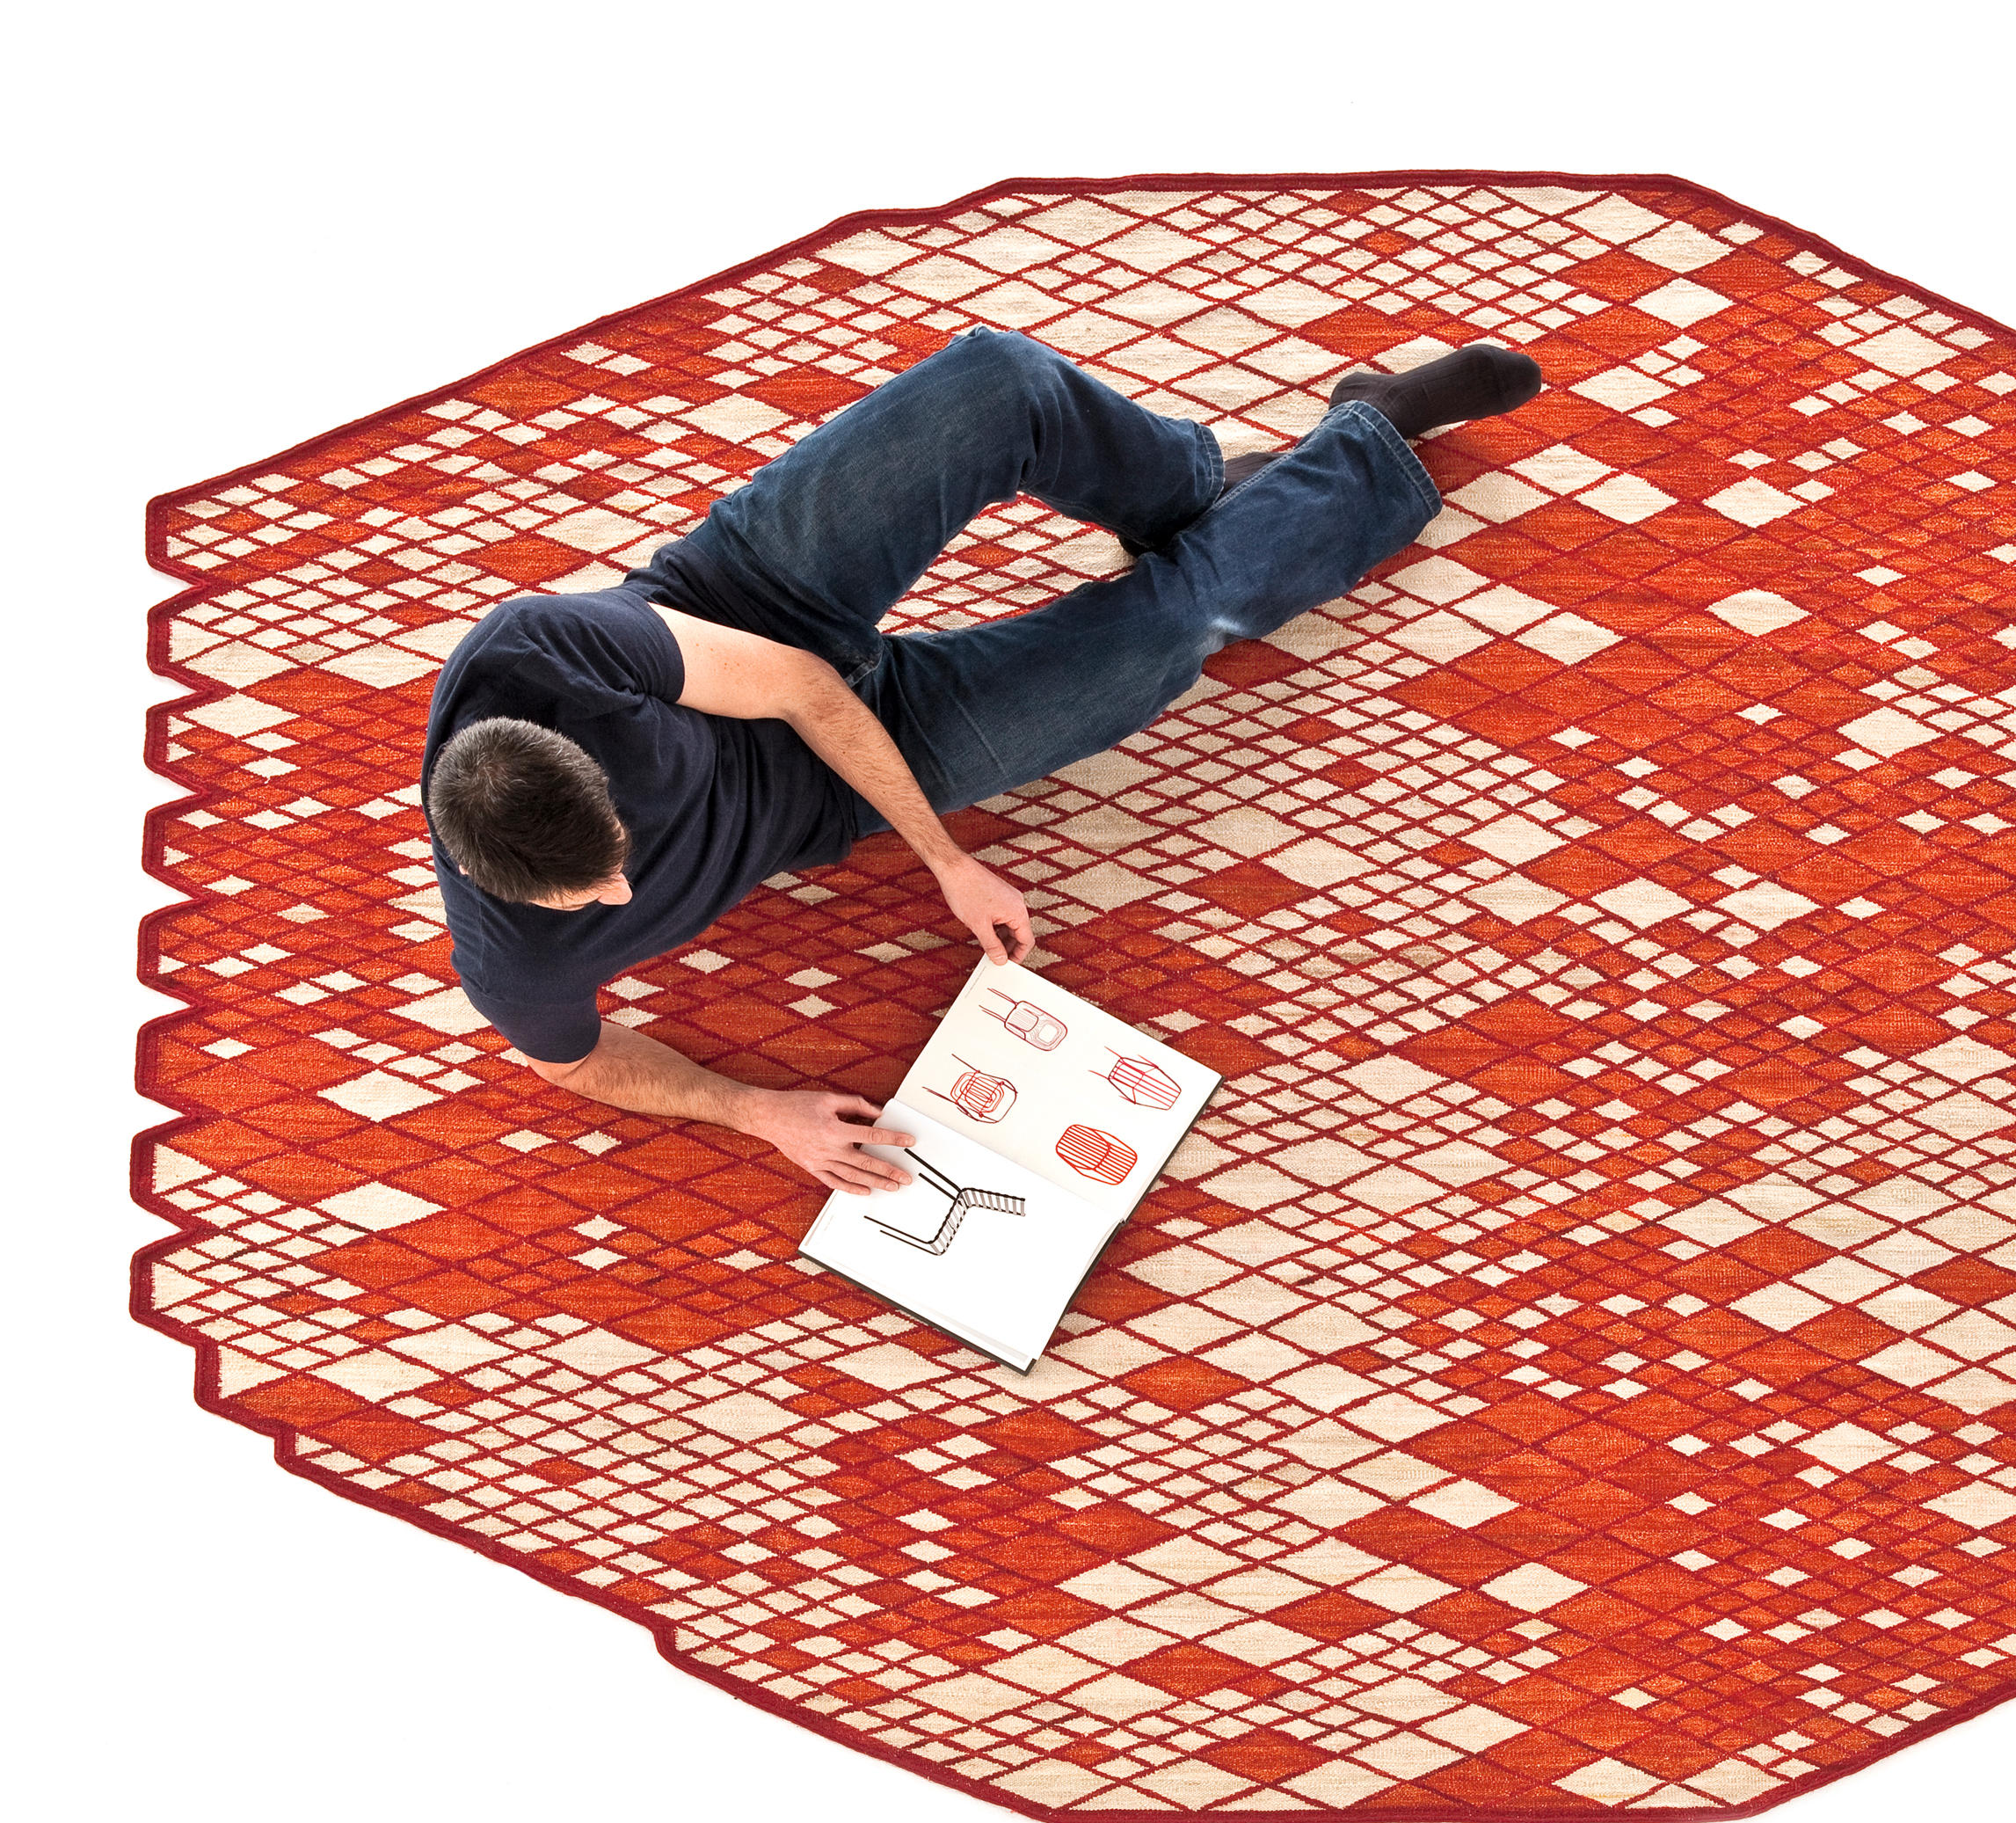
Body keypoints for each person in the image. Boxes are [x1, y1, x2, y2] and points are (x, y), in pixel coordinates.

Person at [420, 328, 1544, 1197]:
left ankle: (1187, 493)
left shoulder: (538, 651)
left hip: (751, 614)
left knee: (1000, 384)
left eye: (617, 856)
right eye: (592, 897)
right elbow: (576, 1063)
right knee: (1163, 636)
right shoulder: (508, 962)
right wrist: (759, 1112)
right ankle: (1368, 435)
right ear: (486, 879)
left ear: (576, 756)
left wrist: (946, 860)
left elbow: (801, 687)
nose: (624, 893)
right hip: (820, 795)